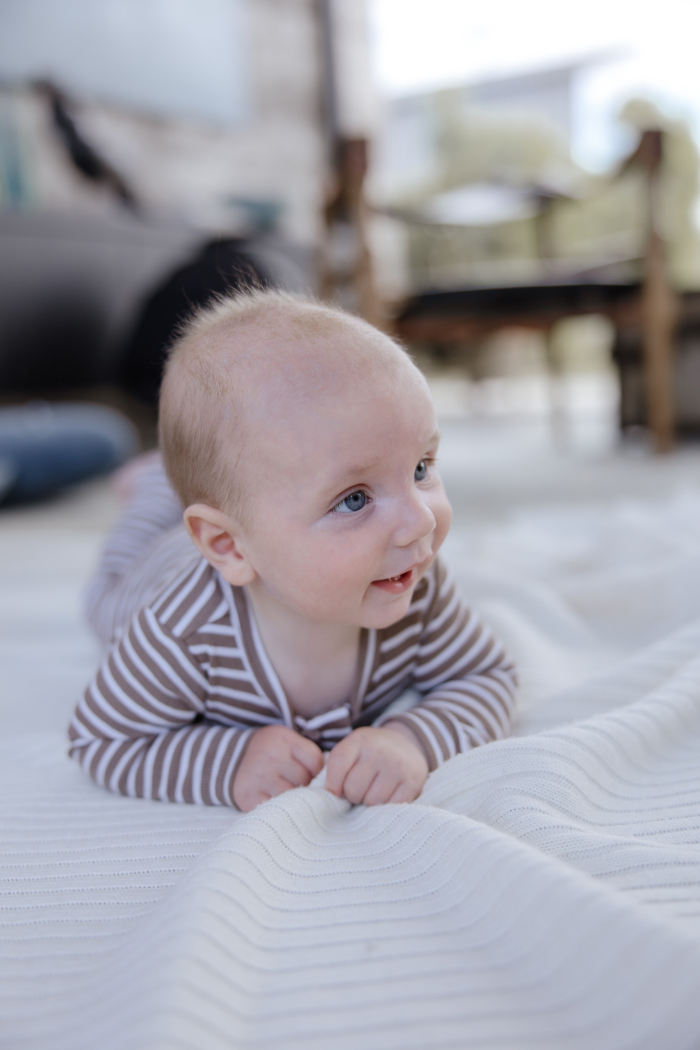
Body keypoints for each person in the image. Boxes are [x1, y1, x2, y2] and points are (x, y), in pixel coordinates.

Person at [69, 291, 517, 812]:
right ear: (229, 547)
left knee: (222, 490)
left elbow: (485, 677)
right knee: (120, 565)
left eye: (420, 467)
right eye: (354, 500)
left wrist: (411, 739)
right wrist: (229, 761)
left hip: (229, 530)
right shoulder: (180, 633)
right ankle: (154, 484)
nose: (418, 521)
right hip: (151, 574)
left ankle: (177, 485)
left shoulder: (414, 581)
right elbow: (101, 741)